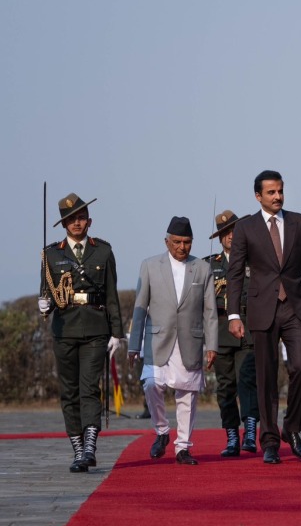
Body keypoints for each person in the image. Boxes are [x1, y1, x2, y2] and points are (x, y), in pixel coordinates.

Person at [226, 169, 301, 465]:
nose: (278, 196)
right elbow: (235, 273)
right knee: (265, 378)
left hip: (295, 307)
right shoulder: (245, 228)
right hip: (261, 309)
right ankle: (269, 440)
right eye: (271, 192)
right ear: (258, 196)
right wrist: (233, 314)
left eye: (280, 191)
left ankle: (291, 429)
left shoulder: (300, 222)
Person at [38, 193, 124, 473]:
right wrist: (45, 304)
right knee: (69, 391)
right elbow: (48, 293)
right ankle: (77, 448)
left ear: (90, 221)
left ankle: (89, 447)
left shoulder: (103, 251)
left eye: (81, 217)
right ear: (64, 223)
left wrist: (117, 333)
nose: (77, 223)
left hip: (96, 328)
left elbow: (111, 294)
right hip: (64, 329)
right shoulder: (52, 254)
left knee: (89, 388)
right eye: (71, 219)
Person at [127, 216, 219, 465]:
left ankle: (183, 447)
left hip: (190, 341)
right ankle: (161, 431)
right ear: (166, 241)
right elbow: (140, 307)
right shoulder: (149, 265)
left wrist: (212, 345)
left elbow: (210, 310)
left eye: (187, 242)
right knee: (151, 384)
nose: (182, 247)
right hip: (157, 340)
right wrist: (134, 344)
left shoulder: (202, 267)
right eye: (177, 242)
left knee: (187, 394)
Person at [206, 210, 259, 456]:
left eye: (234, 230)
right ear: (219, 238)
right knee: (225, 386)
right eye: (225, 232)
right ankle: (231, 435)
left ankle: (250, 431)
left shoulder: (255, 261)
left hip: (248, 329)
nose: (231, 236)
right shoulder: (210, 265)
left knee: (247, 380)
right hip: (220, 331)